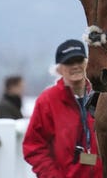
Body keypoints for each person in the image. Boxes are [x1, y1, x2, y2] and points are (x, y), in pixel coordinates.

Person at [23, 39, 102, 177]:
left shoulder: (103, 96)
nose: (75, 66)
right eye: (69, 62)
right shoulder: (47, 101)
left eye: (79, 61)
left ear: (87, 63)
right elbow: (33, 146)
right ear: (58, 69)